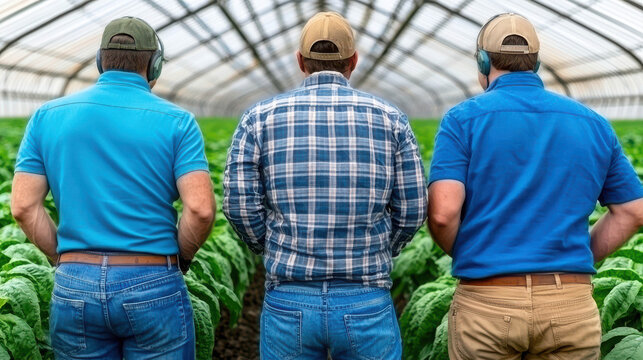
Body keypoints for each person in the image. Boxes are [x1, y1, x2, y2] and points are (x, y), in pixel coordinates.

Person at [427, 13, 643, 360]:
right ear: (537, 62)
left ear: (482, 60)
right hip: (570, 306)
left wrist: (475, 255)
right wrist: (577, 258)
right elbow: (633, 212)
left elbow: (442, 213)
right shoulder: (593, 123)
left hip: (488, 304)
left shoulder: (462, 120)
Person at [223, 11, 427, 360]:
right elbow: (413, 209)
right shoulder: (391, 119)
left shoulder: (258, 118)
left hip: (289, 297)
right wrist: (381, 249)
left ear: (301, 61)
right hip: (366, 297)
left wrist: (269, 245)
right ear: (354, 61)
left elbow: (239, 205)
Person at [11, 17, 215, 359]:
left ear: (99, 60)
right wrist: (181, 258)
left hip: (75, 281)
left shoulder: (47, 116)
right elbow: (201, 208)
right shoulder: (178, 121)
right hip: (152, 277)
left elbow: (22, 206)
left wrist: (64, 259)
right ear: (155, 65)